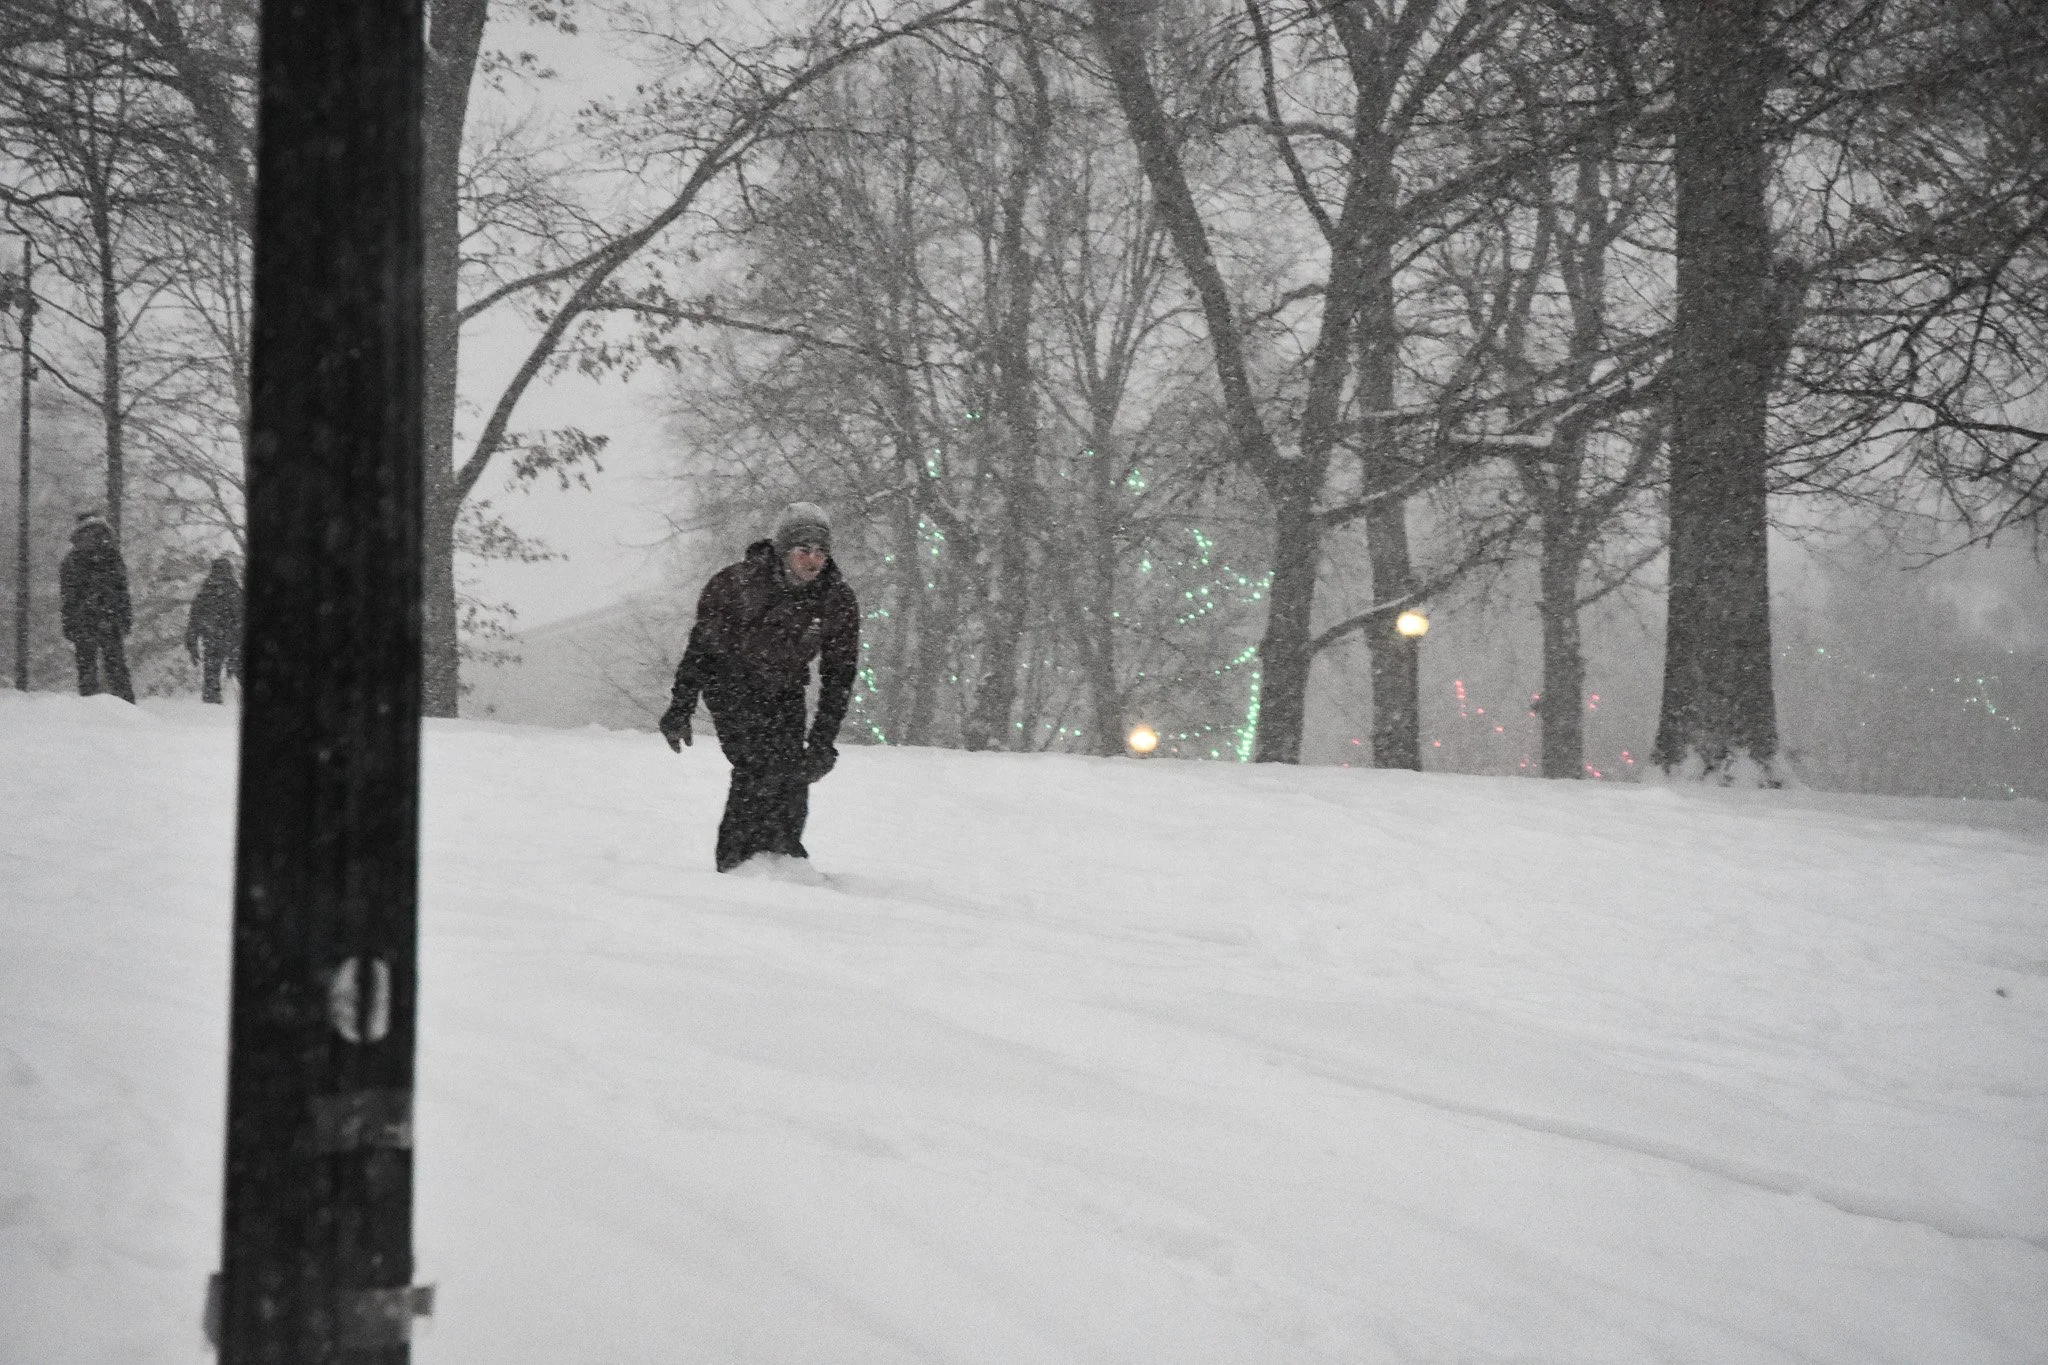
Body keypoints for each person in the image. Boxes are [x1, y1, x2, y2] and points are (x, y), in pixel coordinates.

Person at [660, 502, 859, 872]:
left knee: (793, 770)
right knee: (758, 766)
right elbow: (700, 651)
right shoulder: (736, 585)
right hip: (730, 681)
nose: (813, 560)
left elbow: (840, 675)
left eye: (821, 551)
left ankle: (782, 856)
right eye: (804, 549)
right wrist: (681, 707)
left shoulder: (836, 600)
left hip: (785, 687)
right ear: (784, 550)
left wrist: (821, 742)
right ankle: (737, 862)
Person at [58, 510, 134, 702]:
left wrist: (69, 623)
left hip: (84, 619)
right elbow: (122, 591)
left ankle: (91, 709)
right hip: (110, 617)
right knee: (116, 667)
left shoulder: (72, 559)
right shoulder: (112, 556)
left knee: (87, 669)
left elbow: (68, 597)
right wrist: (124, 618)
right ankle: (127, 708)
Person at [184, 555, 242, 703]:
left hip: (212, 641)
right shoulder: (234, 591)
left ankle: (211, 709)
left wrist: (192, 644)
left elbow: (194, 619)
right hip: (233, 642)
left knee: (211, 679)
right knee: (239, 676)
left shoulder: (205, 592)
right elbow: (242, 618)